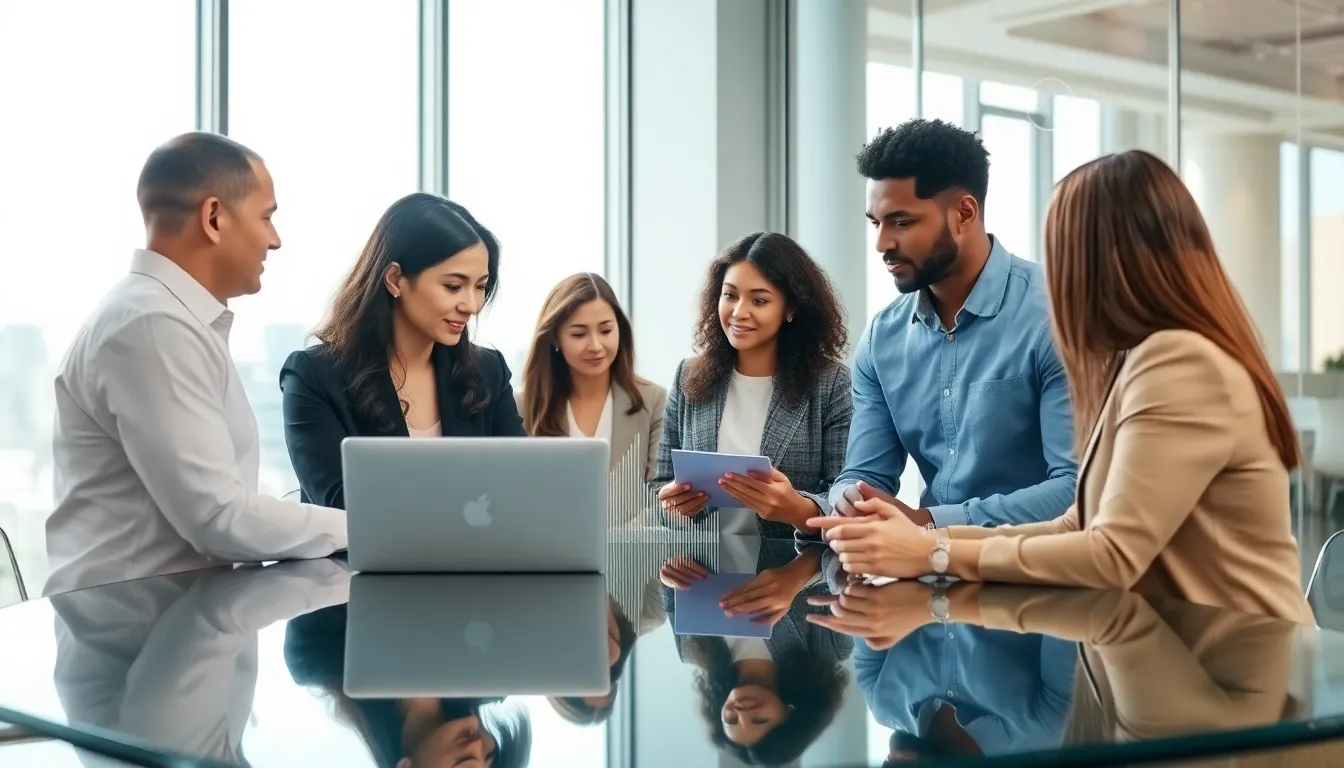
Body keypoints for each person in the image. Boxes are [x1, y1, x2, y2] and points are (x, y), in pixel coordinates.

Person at [813, 150, 1314, 624]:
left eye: (1062, 250)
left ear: (1103, 259)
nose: (1054, 274)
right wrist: (921, 536)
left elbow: (1110, 553)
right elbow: (1079, 524)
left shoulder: (1177, 362)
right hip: (1181, 659)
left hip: (1242, 669)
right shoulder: (1144, 360)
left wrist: (931, 547)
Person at [45, 132, 346, 597]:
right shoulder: (151, 325)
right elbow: (219, 517)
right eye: (266, 218)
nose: (275, 240)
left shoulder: (166, 318)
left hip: (167, 627)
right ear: (213, 218)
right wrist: (370, 530)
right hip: (134, 638)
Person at [831, 119, 1076, 530]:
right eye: (876, 223)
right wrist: (849, 500)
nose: (882, 244)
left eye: (902, 222)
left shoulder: (1057, 317)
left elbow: (1075, 490)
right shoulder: (882, 339)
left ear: (964, 213)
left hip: (1040, 573)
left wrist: (929, 522)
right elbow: (865, 475)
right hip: (926, 573)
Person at [280, 193, 526, 509]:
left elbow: (520, 484)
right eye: (453, 286)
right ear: (396, 279)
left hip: (477, 557)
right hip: (358, 560)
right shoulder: (315, 375)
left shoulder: (487, 371)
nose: (472, 305)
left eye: (480, 286)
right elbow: (340, 505)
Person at [652, 231, 852, 539]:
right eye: (730, 295)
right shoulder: (688, 375)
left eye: (759, 300)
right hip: (704, 569)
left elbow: (844, 497)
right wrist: (673, 508)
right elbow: (660, 486)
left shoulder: (830, 384)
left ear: (790, 309)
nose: (738, 312)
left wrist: (797, 509)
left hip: (796, 573)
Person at [517, 273, 667, 484]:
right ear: (554, 338)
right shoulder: (522, 407)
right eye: (579, 334)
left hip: (635, 519)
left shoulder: (653, 401)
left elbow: (660, 495)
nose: (596, 346)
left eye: (606, 330)